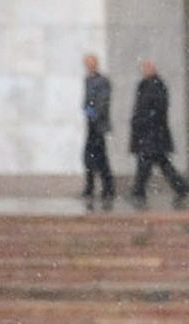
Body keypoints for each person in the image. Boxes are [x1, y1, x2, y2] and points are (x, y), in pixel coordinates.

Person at [126, 58, 189, 205]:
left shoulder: (157, 85)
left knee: (147, 162)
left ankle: (139, 189)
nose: (145, 71)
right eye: (144, 68)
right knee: (160, 163)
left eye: (147, 68)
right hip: (148, 133)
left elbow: (159, 108)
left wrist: (146, 121)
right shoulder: (144, 85)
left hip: (152, 133)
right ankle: (181, 187)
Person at [78, 53, 115, 210]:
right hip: (92, 125)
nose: (88, 66)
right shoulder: (89, 80)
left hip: (98, 126)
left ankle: (106, 188)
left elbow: (102, 102)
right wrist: (88, 110)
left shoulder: (102, 81)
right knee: (91, 158)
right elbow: (87, 102)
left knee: (99, 158)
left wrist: (93, 114)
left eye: (90, 63)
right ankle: (94, 187)